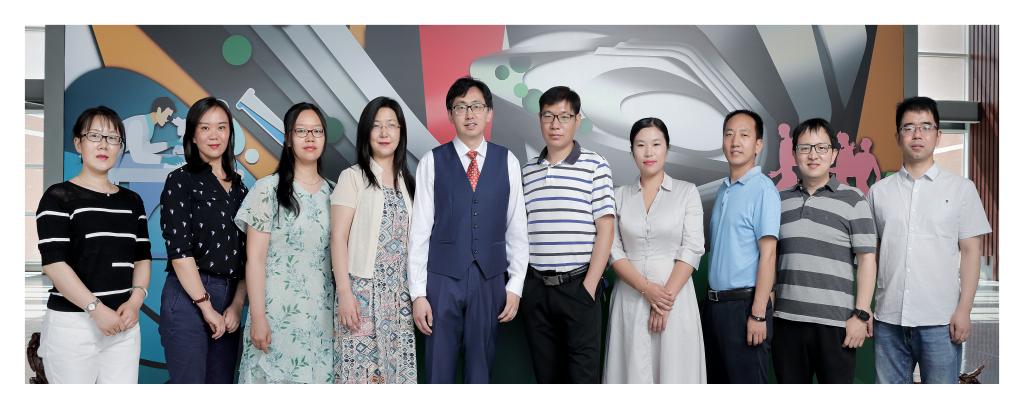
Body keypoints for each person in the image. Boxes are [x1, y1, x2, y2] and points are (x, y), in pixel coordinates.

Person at [407, 76, 529, 383]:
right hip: (442, 280)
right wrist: (418, 294)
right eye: (461, 107)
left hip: (490, 279)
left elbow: (516, 229)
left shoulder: (508, 161)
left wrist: (515, 286)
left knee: (480, 368)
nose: (469, 114)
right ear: (450, 115)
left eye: (476, 106)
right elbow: (419, 233)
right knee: (439, 367)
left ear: (489, 113)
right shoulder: (431, 162)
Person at [868, 96, 991, 384]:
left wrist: (964, 310)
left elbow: (971, 252)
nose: (917, 134)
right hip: (889, 320)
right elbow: (871, 254)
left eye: (925, 127)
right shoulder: (879, 192)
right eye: (908, 127)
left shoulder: (962, 189)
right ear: (897, 136)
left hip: (940, 320)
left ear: (938, 135)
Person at [36, 106, 152, 383]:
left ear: (120, 147)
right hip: (73, 325)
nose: (103, 144)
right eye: (94, 136)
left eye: (112, 138)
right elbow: (54, 264)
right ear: (78, 144)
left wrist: (135, 302)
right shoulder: (57, 197)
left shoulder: (132, 201)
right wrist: (95, 309)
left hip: (124, 324)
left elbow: (142, 257)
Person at [234, 102, 335, 383]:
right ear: (288, 138)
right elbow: (255, 260)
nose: (310, 137)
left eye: (317, 131)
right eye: (302, 131)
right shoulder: (267, 189)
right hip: (275, 317)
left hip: (321, 322)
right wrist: (258, 317)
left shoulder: (335, 192)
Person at [771, 118, 878, 384]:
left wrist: (861, 315)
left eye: (821, 148)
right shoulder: (779, 200)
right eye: (805, 148)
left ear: (834, 154)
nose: (813, 155)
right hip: (786, 322)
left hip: (836, 325)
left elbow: (867, 259)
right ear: (794, 153)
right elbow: (770, 257)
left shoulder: (854, 199)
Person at [519, 86, 614, 383]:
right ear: (540, 119)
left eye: (564, 116)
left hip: (578, 287)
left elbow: (606, 229)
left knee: (582, 379)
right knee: (547, 379)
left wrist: (589, 286)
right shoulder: (527, 171)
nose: (555, 124)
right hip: (537, 289)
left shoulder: (595, 165)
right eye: (548, 116)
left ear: (577, 120)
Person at [604, 118, 706, 384]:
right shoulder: (618, 196)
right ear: (631, 151)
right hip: (630, 297)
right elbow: (613, 250)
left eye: (656, 144)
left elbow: (693, 247)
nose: (649, 152)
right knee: (632, 372)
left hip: (675, 299)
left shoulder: (687, 192)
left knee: (676, 373)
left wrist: (663, 303)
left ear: (667, 149)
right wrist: (645, 288)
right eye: (641, 145)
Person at [159, 96, 248, 383]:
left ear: (230, 134)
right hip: (189, 295)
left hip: (229, 297)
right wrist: (206, 306)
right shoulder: (180, 180)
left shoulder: (241, 189)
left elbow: (249, 256)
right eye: (205, 128)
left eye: (221, 127)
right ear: (193, 136)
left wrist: (237, 305)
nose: (214, 135)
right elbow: (179, 251)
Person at [331, 97, 418, 383]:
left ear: (401, 132)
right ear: (366, 132)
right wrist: (345, 293)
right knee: (360, 378)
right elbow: (338, 237)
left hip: (400, 298)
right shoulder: (352, 177)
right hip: (360, 294)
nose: (384, 132)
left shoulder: (409, 183)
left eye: (391, 125)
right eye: (376, 125)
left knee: (397, 378)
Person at [702, 109, 781, 384]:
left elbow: (768, 255)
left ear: (758, 145)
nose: (735, 141)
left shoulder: (763, 189)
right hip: (714, 307)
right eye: (729, 134)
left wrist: (758, 314)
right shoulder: (724, 189)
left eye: (744, 135)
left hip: (745, 308)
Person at [123, 96, 181, 166]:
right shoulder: (137, 123)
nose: (168, 120)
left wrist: (170, 144)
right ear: (159, 110)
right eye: (168, 116)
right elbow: (137, 156)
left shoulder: (149, 125)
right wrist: (165, 160)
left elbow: (146, 148)